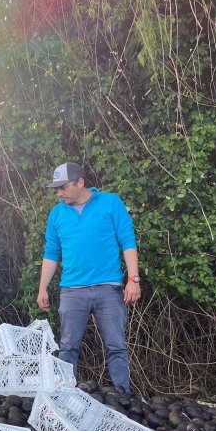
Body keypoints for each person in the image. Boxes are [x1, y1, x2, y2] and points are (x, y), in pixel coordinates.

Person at [36, 162, 141, 393]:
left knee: (116, 346)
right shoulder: (57, 213)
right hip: (72, 291)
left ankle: (124, 396)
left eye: (63, 187)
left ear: (80, 182)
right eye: (56, 189)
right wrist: (42, 288)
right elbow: (51, 253)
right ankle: (65, 395)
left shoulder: (110, 203)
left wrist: (133, 279)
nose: (58, 193)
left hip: (109, 288)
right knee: (67, 347)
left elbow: (127, 240)